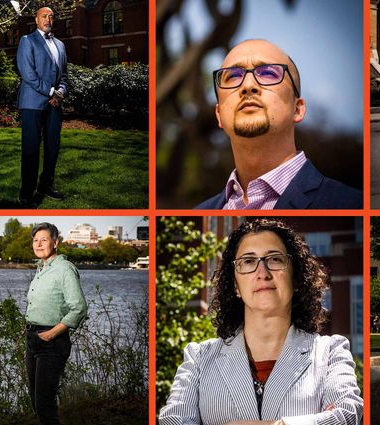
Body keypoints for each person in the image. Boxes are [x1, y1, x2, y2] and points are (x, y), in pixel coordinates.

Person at [159, 219, 363, 424]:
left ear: (296, 279)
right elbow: (172, 419)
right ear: (236, 286)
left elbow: (347, 414)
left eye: (274, 259)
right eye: (248, 261)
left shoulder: (330, 353)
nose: (262, 273)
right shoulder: (199, 358)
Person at [194, 39, 362, 210]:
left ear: (297, 109)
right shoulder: (199, 213)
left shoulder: (352, 204)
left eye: (268, 73)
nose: (248, 85)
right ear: (219, 114)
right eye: (233, 76)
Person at [25, 222, 87, 424]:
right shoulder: (41, 269)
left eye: (44, 239)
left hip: (51, 343)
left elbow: (78, 308)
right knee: (36, 402)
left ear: (55, 242)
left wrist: (51, 333)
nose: (39, 244)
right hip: (33, 340)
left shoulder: (64, 269)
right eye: (36, 240)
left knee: (45, 404)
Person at [16, 7, 68, 208]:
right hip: (32, 104)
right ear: (36, 19)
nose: (48, 19)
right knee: (30, 149)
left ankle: (46, 185)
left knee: (52, 148)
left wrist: (60, 92)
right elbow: (27, 74)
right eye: (44, 16)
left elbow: (64, 75)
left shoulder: (60, 45)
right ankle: (26, 194)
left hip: (55, 105)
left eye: (51, 16)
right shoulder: (27, 41)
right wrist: (51, 91)